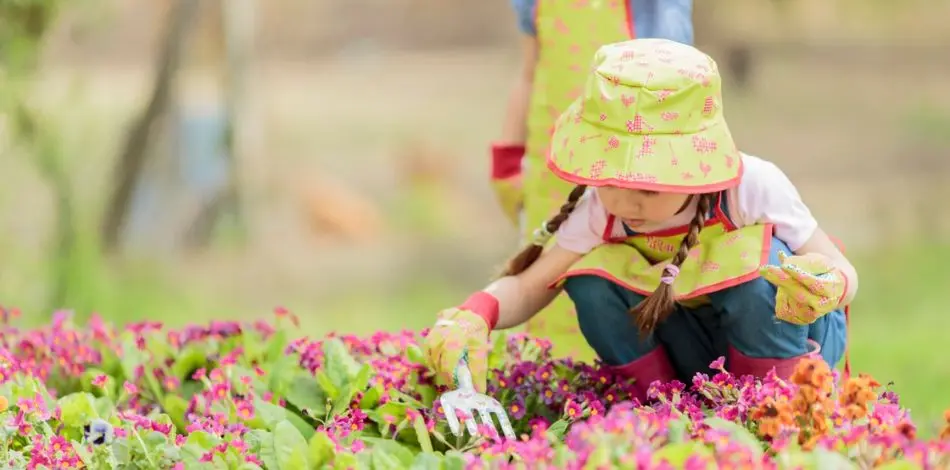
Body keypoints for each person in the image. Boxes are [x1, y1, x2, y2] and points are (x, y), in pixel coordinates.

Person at [425, 39, 855, 401]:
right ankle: (658, 403)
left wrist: (826, 284)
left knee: (762, 271)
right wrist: (476, 313)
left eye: (649, 188)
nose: (626, 203)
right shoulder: (601, 207)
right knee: (590, 279)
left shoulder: (752, 186)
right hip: (697, 349)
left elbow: (841, 269)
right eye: (611, 181)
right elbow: (532, 284)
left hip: (788, 345)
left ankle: (770, 406)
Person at [489, 0, 696, 360]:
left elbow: (684, 88)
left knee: (613, 291)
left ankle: (629, 400)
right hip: (551, 167)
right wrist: (508, 156)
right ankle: (551, 401)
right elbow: (529, 72)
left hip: (630, 180)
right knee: (545, 287)